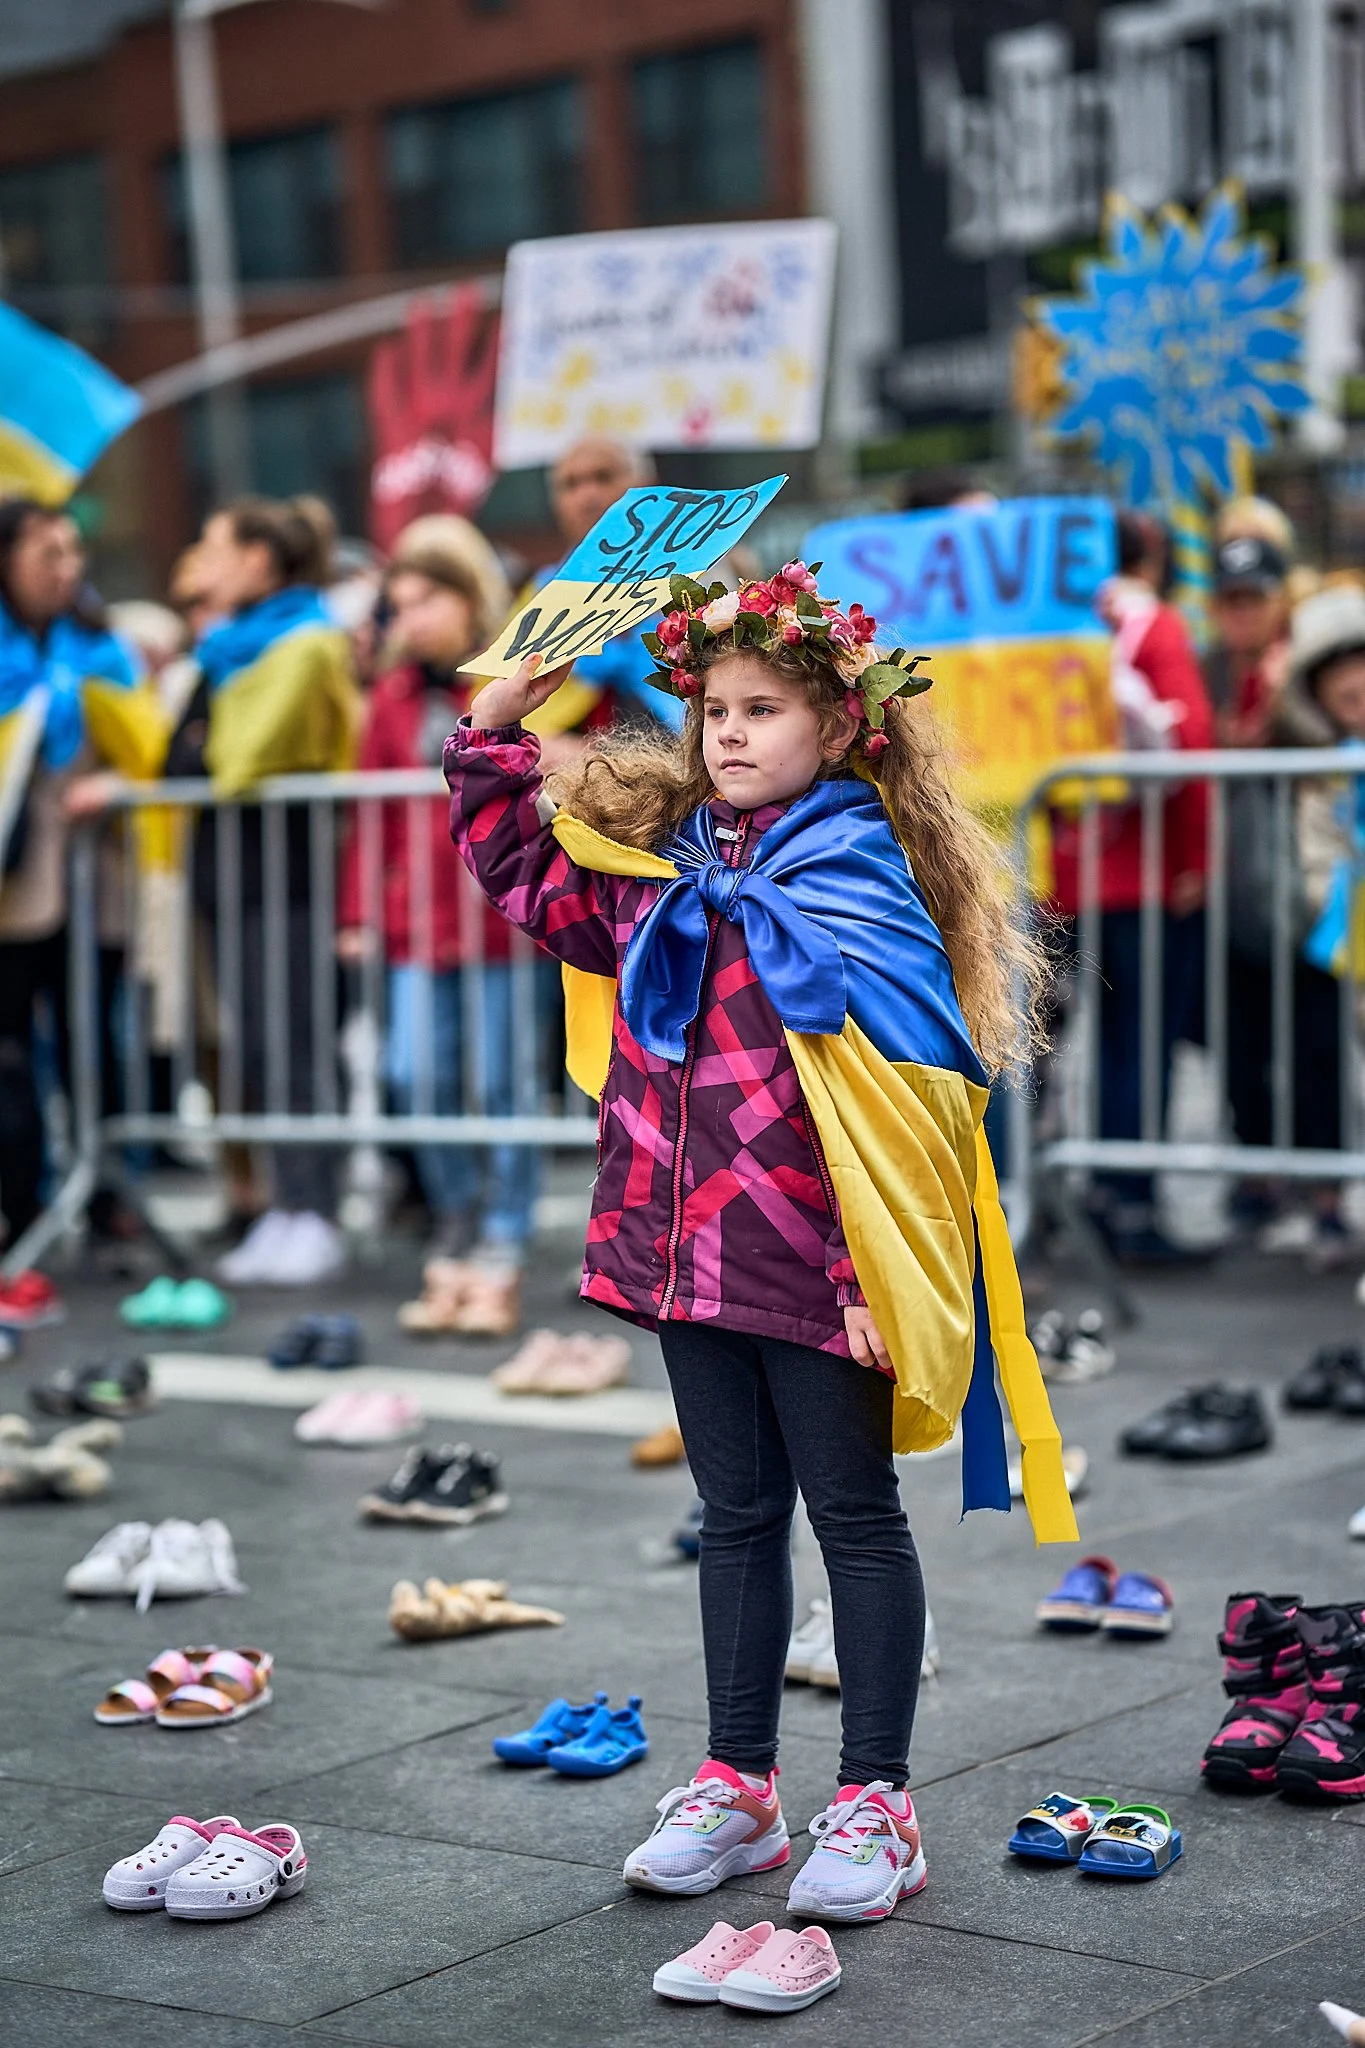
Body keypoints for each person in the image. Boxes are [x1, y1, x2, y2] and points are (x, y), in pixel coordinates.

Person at [445, 561, 1072, 1923]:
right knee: (732, 1516)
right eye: (714, 710)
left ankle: (878, 1802)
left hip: (817, 1266)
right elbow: (536, 888)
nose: (728, 733)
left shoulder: (861, 873)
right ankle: (739, 1786)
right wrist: (494, 731)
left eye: (761, 710)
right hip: (689, 1254)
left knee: (853, 1514)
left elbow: (909, 1111)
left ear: (840, 726)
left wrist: (870, 1275)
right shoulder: (665, 862)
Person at [337, 516, 535, 1333]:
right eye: (400, 603)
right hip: (415, 920)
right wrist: (357, 912)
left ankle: (505, 1231)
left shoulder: (511, 679)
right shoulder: (389, 695)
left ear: (467, 596)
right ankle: (456, 1214)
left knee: (503, 1082)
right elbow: (369, 816)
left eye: (427, 599)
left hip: (502, 917)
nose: (411, 618)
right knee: (414, 1075)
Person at [170, 494, 362, 1288]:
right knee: (256, 1044)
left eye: (214, 546)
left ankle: (314, 1211)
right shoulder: (225, 647)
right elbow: (174, 756)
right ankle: (286, 1206)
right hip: (232, 874)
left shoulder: (306, 641)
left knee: (295, 1043)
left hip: (287, 872)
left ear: (257, 558)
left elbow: (231, 760)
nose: (202, 564)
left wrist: (202, 737)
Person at [0, 499, 162, 1289]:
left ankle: (106, 1203)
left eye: (72, 553)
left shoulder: (101, 644)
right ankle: (22, 1210)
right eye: (46, 554)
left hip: (91, 884)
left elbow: (148, 749)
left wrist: (114, 784)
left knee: (94, 1043)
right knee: (9, 1056)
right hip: (12, 890)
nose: (65, 569)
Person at [1049, 509, 1215, 1261]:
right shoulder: (1153, 626)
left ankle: (1039, 1206)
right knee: (1137, 1043)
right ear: (1149, 557)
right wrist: (1195, 860)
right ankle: (1131, 1206)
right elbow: (1193, 747)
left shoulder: (1050, 625)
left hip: (1051, 873)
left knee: (1036, 1051)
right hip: (1140, 874)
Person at [519, 438, 685, 756]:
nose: (587, 496)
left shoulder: (693, 576)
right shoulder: (541, 590)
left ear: (646, 487)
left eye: (603, 477)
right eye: (571, 484)